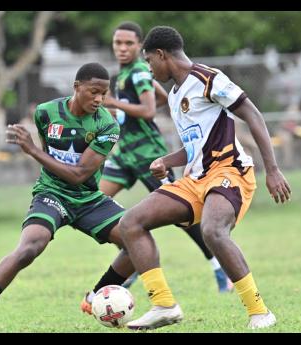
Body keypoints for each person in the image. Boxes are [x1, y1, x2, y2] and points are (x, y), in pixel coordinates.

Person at [117, 26, 291, 330]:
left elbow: (253, 114)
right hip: (196, 179)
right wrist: (166, 161)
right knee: (130, 223)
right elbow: (195, 145)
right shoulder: (173, 95)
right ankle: (163, 305)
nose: (148, 68)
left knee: (212, 230)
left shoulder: (208, 78)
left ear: (162, 55)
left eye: (149, 61)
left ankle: (260, 311)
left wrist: (272, 169)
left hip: (230, 172)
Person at [0, 63, 137, 333]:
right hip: (51, 193)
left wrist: (30, 150)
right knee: (30, 247)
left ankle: (95, 296)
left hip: (88, 198)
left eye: (104, 93)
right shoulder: (46, 112)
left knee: (137, 241)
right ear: (77, 88)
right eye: (93, 92)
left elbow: (77, 175)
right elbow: (50, 153)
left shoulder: (107, 124)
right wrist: (39, 154)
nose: (99, 99)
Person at [80, 22, 232, 313]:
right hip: (126, 155)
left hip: (149, 155)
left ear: (140, 47)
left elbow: (149, 110)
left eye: (128, 44)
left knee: (180, 214)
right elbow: (160, 99)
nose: (122, 48)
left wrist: (114, 103)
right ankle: (133, 260)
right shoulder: (127, 74)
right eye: (118, 43)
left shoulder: (138, 71)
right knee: (94, 203)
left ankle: (217, 265)